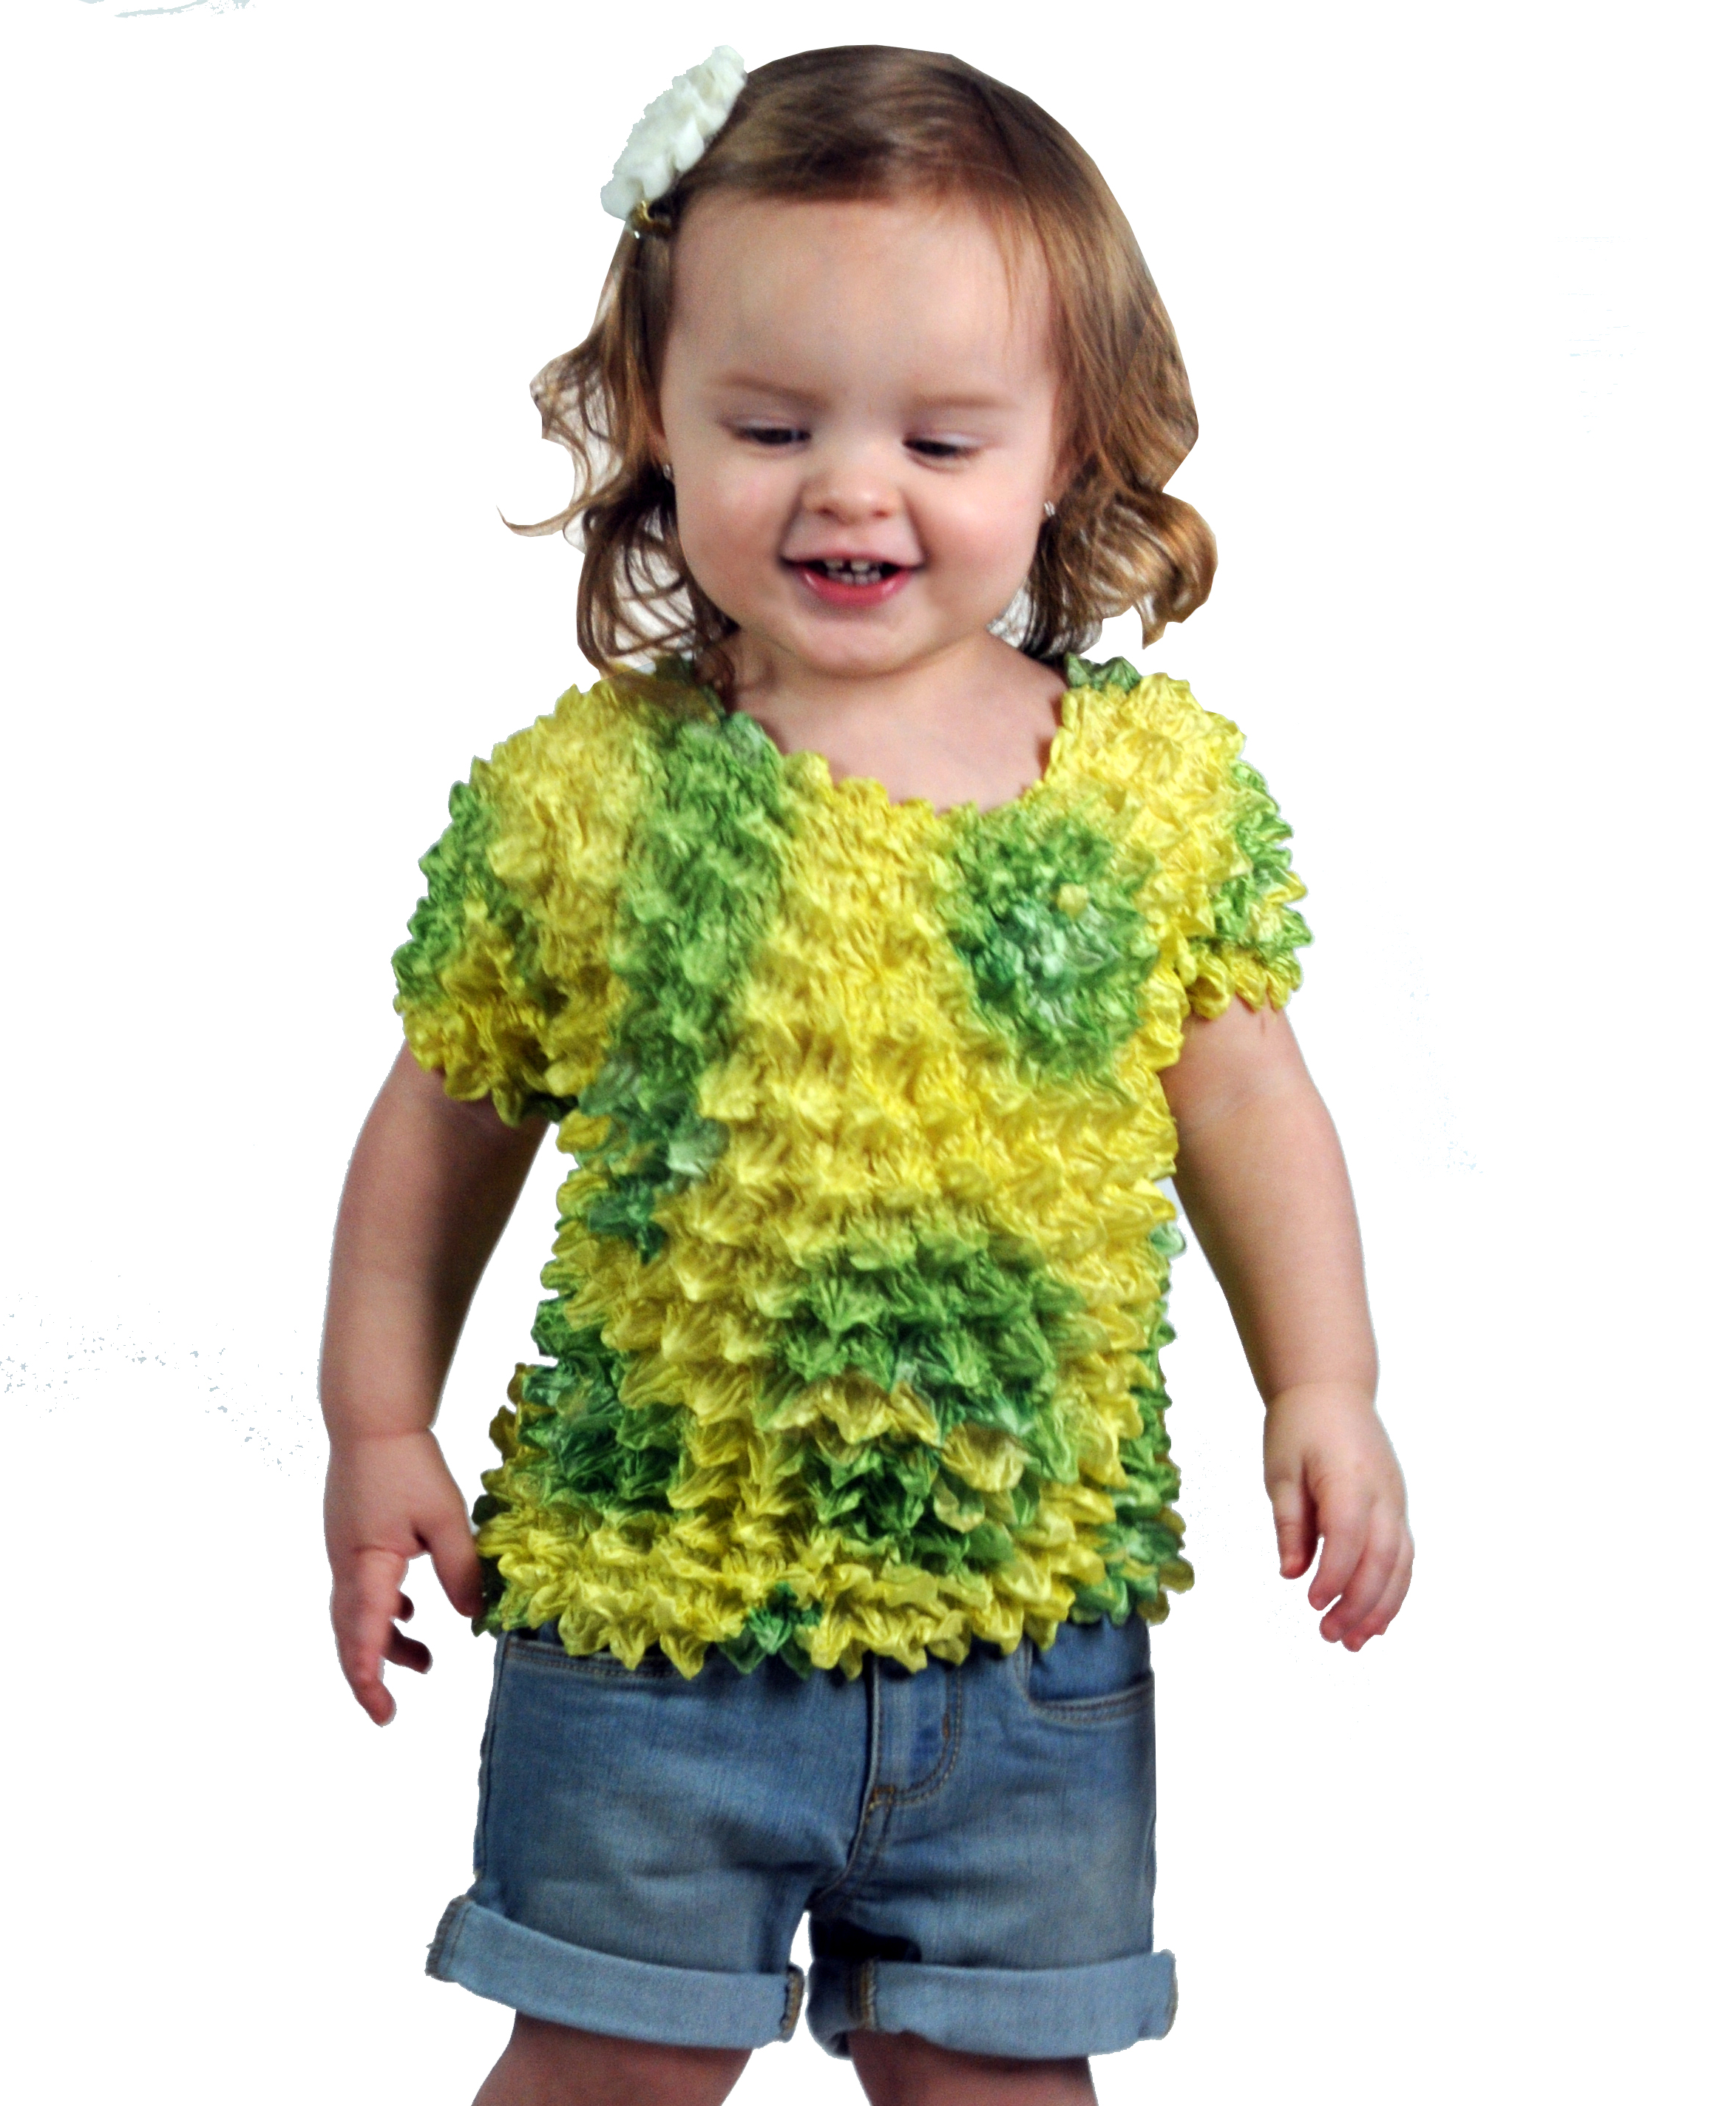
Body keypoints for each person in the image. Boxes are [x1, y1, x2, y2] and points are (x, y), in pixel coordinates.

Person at [320, 43, 1411, 2106]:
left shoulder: (1148, 799)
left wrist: (1325, 1384)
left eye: (939, 435)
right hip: (655, 1624)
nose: (848, 486)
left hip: (1027, 1635)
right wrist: (377, 1426)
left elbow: (1252, 1104)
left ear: (1068, 444)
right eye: (770, 424)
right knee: (605, 2076)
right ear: (657, 418)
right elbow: (441, 1124)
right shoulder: (589, 802)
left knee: (998, 2085)